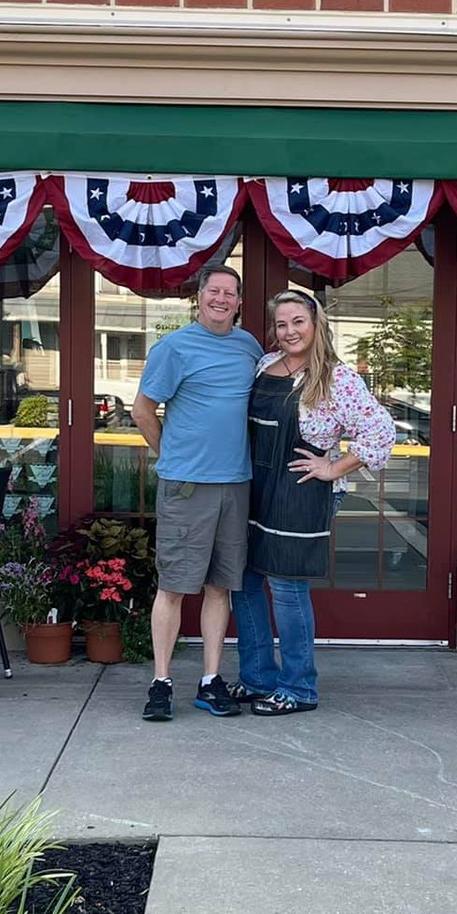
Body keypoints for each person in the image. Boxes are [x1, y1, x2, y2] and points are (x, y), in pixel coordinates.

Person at [229, 289, 394, 715]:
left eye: (297, 322)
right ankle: (257, 679)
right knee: (244, 585)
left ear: (316, 323)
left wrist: (333, 468)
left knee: (287, 588)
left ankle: (299, 688)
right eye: (281, 324)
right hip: (255, 488)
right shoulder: (267, 365)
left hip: (300, 494)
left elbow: (381, 432)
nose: (289, 332)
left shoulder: (338, 379)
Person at [131, 264, 263, 722]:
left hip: (235, 483)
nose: (221, 299)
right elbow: (143, 410)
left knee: (219, 586)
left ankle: (210, 680)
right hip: (187, 486)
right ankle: (161, 682)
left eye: (230, 293)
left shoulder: (249, 348)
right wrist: (171, 455)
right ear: (199, 296)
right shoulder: (174, 347)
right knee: (173, 586)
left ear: (239, 302)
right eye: (214, 291)